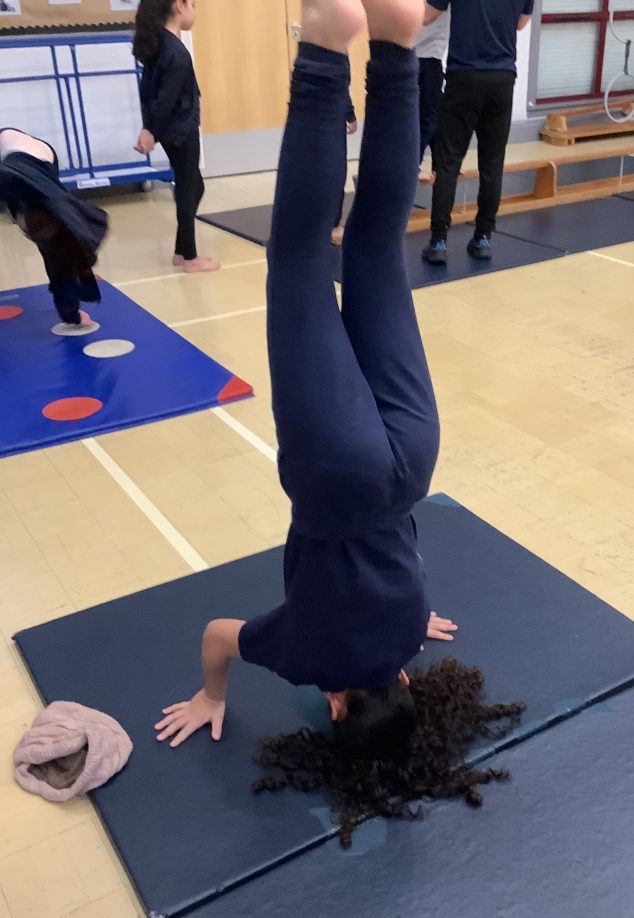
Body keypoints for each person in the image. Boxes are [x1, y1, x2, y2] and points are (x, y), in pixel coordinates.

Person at [155, 0, 460, 760]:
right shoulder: (307, 657)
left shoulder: (408, 633)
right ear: (335, 710)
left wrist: (408, 629)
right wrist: (211, 695)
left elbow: (399, 595)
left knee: (376, 245)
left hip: (414, 464)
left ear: (405, 683)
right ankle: (325, 43)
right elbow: (218, 637)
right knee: (297, 259)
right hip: (338, 477)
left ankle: (397, 43)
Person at [421, 0, 534, 264]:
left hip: (464, 76)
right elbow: (521, 23)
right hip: (502, 78)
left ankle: (438, 241)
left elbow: (427, 16)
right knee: (492, 164)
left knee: (448, 163)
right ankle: (483, 237)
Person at [133, 0, 219, 273]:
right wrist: (151, 131)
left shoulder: (162, 46)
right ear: (179, 7)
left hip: (173, 129)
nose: (194, 10)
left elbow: (148, 92)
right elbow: (166, 98)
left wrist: (150, 127)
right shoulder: (177, 53)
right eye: (192, 4)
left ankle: (182, 251)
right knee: (188, 186)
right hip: (181, 129)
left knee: (194, 186)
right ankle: (190, 257)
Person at [0, 128, 108, 331]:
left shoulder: (46, 211)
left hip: (39, 161)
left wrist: (72, 314)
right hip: (20, 157)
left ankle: (70, 306)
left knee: (58, 251)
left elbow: (59, 263)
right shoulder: (12, 185)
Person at [415, 12, 450, 183]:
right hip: (427, 60)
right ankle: (414, 165)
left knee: (438, 115)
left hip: (425, 59)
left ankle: (441, 163)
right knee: (427, 118)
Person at [331, 91, 358, 246]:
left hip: (305, 115)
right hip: (332, 115)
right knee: (335, 170)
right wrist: (350, 114)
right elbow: (339, 85)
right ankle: (333, 225)